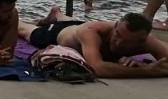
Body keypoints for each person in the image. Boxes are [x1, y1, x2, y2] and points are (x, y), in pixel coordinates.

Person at [20, 8, 168, 78]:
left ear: (141, 41)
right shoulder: (92, 32)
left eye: (127, 42)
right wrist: (147, 70)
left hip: (79, 26)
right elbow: (97, 68)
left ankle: (57, 14)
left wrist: (144, 64)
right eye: (117, 35)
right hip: (59, 34)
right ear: (115, 26)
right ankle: (53, 19)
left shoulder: (147, 40)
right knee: (24, 29)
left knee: (77, 24)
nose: (118, 43)